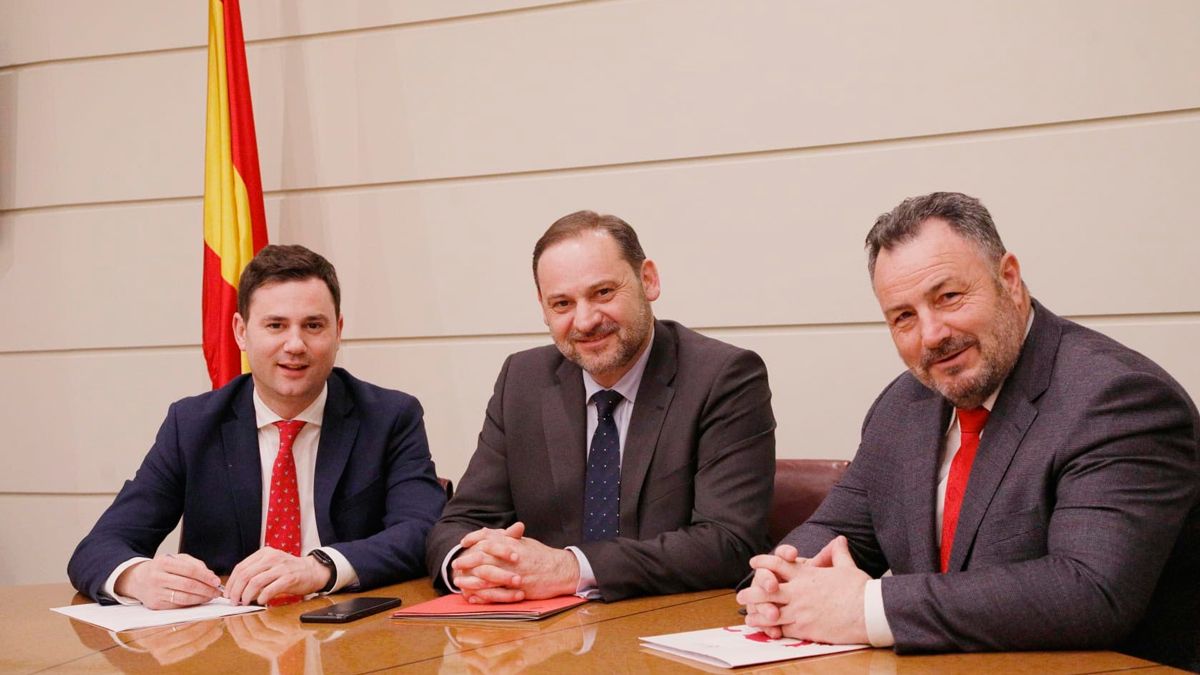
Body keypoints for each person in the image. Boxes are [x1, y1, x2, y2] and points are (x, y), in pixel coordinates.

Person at [737, 192, 1200, 670]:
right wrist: (782, 582)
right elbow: (837, 529)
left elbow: (1090, 590)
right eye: (904, 317)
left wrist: (866, 608)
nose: (932, 334)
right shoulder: (904, 404)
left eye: (949, 297)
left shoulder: (1119, 398)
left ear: (1010, 280)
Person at [425, 210, 776, 602]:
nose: (586, 320)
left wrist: (572, 568)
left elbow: (728, 543)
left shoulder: (724, 376)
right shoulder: (522, 379)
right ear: (542, 307)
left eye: (603, 292)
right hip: (539, 639)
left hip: (661, 628)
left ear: (648, 280)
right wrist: (473, 565)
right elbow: (459, 523)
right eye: (562, 303)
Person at [68, 244, 446, 607]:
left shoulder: (390, 417)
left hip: (349, 638)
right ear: (241, 332)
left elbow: (421, 531)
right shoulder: (192, 425)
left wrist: (319, 567)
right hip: (226, 641)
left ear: (338, 330)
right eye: (276, 325)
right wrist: (140, 577)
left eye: (313, 325)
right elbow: (100, 546)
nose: (295, 344)